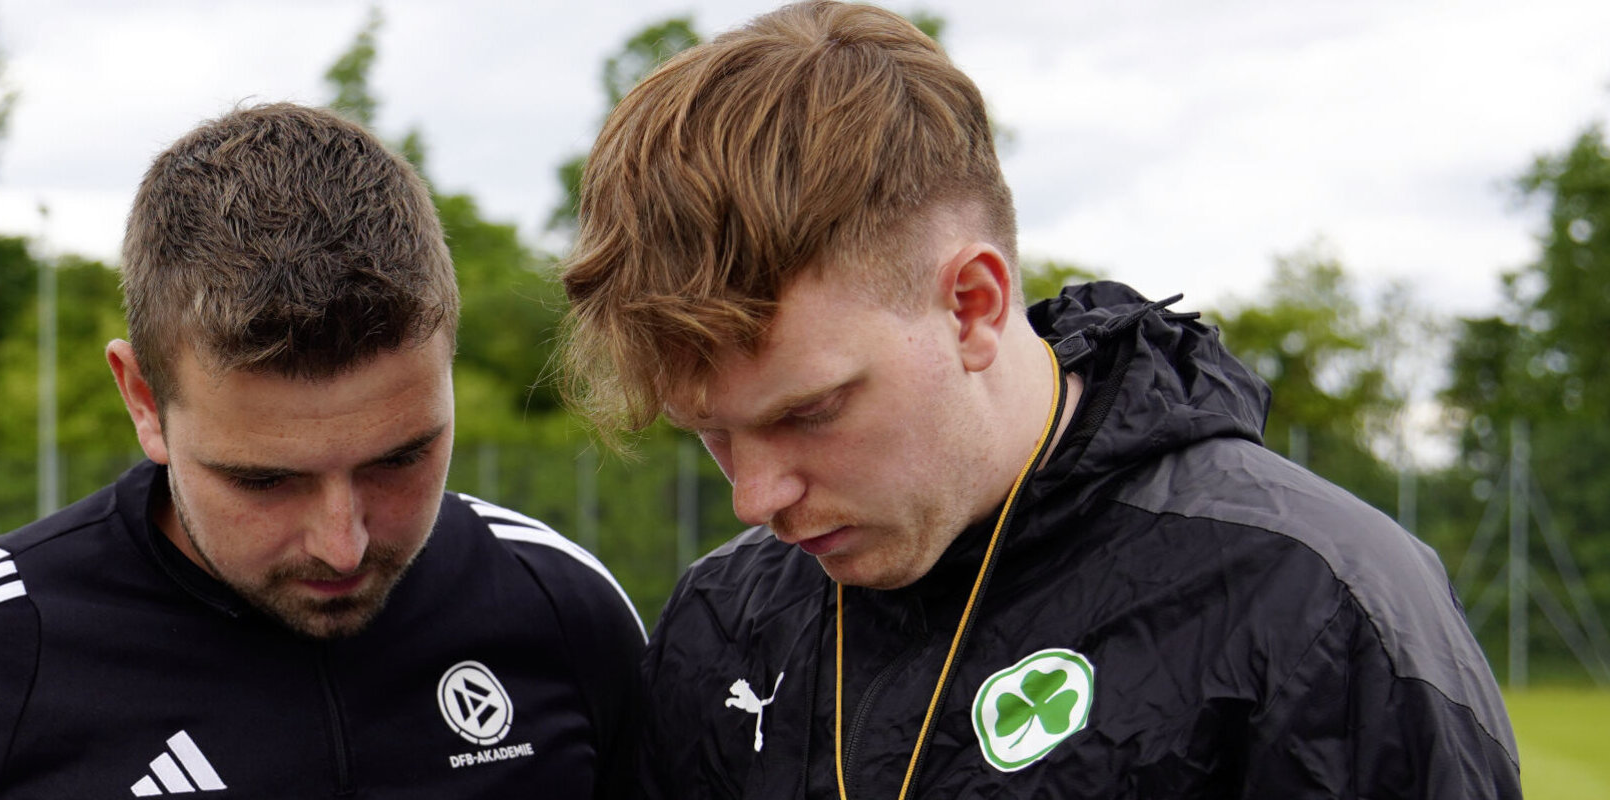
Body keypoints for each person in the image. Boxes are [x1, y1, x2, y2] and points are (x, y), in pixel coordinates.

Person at [555, 3, 1519, 798]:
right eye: (711, 434)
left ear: (973, 306)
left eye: (808, 412)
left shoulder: (1316, 606)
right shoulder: (720, 623)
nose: (754, 498)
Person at [0, 103, 645, 799]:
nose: (342, 543)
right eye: (265, 480)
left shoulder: (561, 609)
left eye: (399, 459)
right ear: (142, 401)